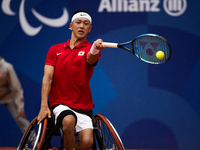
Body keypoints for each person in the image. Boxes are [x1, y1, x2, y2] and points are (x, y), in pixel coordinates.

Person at [37, 10, 106, 150]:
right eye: (78, 22)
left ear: (90, 28)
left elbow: (90, 58)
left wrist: (94, 49)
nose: (81, 26)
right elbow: (47, 78)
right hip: (60, 103)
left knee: (87, 143)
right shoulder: (55, 50)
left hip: (83, 106)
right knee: (68, 121)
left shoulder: (90, 50)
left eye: (86, 23)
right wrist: (44, 105)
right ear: (71, 26)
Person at [0, 56, 30, 134]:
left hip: (8, 96)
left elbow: (16, 88)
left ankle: (36, 144)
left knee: (20, 119)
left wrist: (20, 109)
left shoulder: (7, 67)